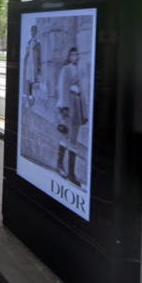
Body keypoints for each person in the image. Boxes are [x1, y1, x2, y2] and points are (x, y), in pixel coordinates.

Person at [56, 47, 87, 185]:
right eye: (72, 55)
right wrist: (63, 108)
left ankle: (71, 174)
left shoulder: (77, 70)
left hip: (77, 106)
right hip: (68, 106)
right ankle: (60, 166)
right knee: (66, 136)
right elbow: (62, 88)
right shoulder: (66, 69)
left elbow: (81, 90)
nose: (74, 57)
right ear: (69, 56)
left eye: (76, 55)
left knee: (73, 139)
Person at [23, 25, 42, 106]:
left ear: (36, 32)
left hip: (34, 63)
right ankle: (29, 98)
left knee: (33, 81)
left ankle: (33, 99)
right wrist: (24, 63)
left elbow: (40, 55)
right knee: (28, 80)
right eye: (31, 31)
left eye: (34, 31)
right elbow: (26, 53)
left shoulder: (38, 43)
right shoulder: (29, 42)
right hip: (29, 63)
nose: (32, 32)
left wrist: (39, 66)